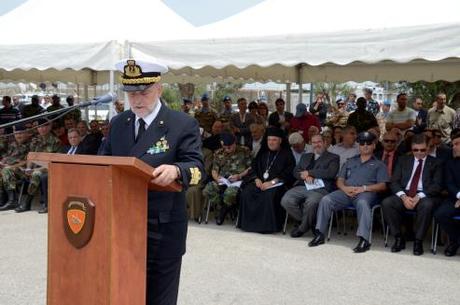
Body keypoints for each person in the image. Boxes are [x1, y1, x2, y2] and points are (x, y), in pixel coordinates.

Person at [101, 58, 204, 305]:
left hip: (162, 227)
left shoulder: (181, 124)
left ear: (159, 89)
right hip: (122, 226)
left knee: (159, 299)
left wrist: (177, 170)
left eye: (143, 92)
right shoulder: (119, 123)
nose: (136, 100)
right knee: (125, 294)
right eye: (131, 93)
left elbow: (198, 167)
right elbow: (103, 163)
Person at [309, 132, 389, 253]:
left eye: (368, 143)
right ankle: (320, 234)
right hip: (347, 192)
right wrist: (344, 188)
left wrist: (364, 188)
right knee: (326, 199)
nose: (365, 146)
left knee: (362, 203)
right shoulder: (350, 161)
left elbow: (383, 185)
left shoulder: (380, 164)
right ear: (359, 146)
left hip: (366, 193)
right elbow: (340, 180)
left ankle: (364, 239)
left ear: (374, 145)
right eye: (362, 143)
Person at [382, 134, 443, 256]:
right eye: (416, 150)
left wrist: (419, 196)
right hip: (405, 193)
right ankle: (399, 238)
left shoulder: (436, 163)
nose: (419, 153)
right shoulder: (403, 160)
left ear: (428, 148)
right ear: (411, 148)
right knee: (387, 203)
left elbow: (437, 185)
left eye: (423, 150)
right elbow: (394, 181)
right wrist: (403, 197)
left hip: (425, 195)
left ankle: (418, 241)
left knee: (427, 205)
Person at [238, 127, 295, 233]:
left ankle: (267, 227)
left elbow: (289, 173)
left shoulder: (287, 154)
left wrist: (272, 182)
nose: (271, 142)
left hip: (277, 185)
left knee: (269, 195)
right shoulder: (262, 153)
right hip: (260, 182)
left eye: (274, 140)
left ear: (280, 141)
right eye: (269, 140)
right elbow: (253, 168)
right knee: (247, 193)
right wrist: (256, 179)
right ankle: (249, 225)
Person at [281, 134, 340, 237]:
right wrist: (304, 176)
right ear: (311, 144)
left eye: (319, 142)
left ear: (324, 143)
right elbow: (295, 172)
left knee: (311, 202)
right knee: (286, 200)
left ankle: (302, 228)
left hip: (320, 189)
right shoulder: (305, 156)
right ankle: (310, 222)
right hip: (303, 186)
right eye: (314, 142)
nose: (317, 145)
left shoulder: (333, 157)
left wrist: (309, 173)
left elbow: (331, 173)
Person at [203, 132, 252, 225]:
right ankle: (226, 206)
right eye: (226, 147)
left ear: (235, 143)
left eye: (231, 146)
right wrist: (218, 179)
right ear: (222, 145)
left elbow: (250, 168)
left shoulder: (244, 151)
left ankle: (223, 212)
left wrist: (239, 175)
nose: (228, 149)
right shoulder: (219, 153)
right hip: (223, 180)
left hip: (238, 181)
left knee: (230, 193)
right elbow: (214, 170)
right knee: (208, 190)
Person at [434, 132, 460, 256]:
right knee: (441, 214)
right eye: (453, 144)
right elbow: (449, 183)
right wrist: (459, 195)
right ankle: (455, 241)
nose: (453, 147)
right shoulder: (451, 163)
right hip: (455, 197)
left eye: (457, 144)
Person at [0, 124, 32, 211]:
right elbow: (7, 157)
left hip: (23, 171)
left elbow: (28, 161)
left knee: (6, 171)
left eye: (21, 133)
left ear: (26, 133)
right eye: (16, 133)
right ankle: (2, 199)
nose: (18, 135)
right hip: (10, 169)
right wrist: (2, 163)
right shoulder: (13, 144)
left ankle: (12, 201)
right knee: (4, 170)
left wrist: (11, 166)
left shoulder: (31, 144)